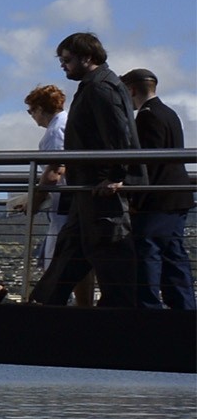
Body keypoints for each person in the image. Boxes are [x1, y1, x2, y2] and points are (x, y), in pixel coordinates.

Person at [31, 32, 140, 308]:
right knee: (71, 253)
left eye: (67, 60)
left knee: (110, 260)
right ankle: (43, 309)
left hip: (99, 191)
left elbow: (118, 134)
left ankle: (117, 325)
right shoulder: (98, 85)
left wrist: (116, 176)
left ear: (87, 57)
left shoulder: (99, 88)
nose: (63, 65)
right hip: (89, 190)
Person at [126, 68, 192, 310]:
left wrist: (135, 198)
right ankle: (185, 312)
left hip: (157, 201)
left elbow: (148, 164)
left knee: (148, 257)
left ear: (131, 89)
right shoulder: (170, 113)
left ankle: (149, 309)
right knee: (174, 258)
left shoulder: (147, 116)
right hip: (177, 197)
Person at [22, 84, 71, 287]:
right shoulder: (67, 123)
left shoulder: (55, 131)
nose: (31, 116)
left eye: (31, 111)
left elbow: (54, 173)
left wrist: (33, 202)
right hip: (67, 203)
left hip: (63, 206)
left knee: (57, 259)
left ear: (40, 109)